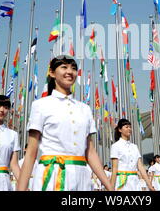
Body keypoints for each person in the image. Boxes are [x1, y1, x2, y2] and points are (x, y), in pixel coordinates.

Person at [17, 55, 113, 191]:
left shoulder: (84, 109)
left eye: (73, 68)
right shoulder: (40, 105)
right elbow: (31, 152)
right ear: (52, 73)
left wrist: (109, 187)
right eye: (64, 67)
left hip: (81, 178)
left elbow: (90, 152)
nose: (70, 72)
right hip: (52, 176)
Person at [110, 118, 154, 191]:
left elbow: (140, 167)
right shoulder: (115, 146)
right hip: (122, 182)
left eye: (130, 127)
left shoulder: (134, 147)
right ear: (120, 130)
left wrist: (149, 184)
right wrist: (111, 188)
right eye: (126, 127)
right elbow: (114, 168)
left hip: (135, 182)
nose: (129, 129)